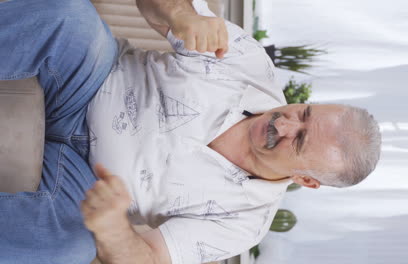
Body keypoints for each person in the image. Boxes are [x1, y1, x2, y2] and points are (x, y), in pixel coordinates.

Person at [0, 0, 381, 263]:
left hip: (85, 185)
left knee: (68, 250)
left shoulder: (246, 222)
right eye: (304, 113)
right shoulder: (250, 62)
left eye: (298, 140)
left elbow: (147, 259)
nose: (283, 122)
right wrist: (181, 15)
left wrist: (114, 229)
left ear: (305, 180)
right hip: (93, 79)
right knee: (74, 18)